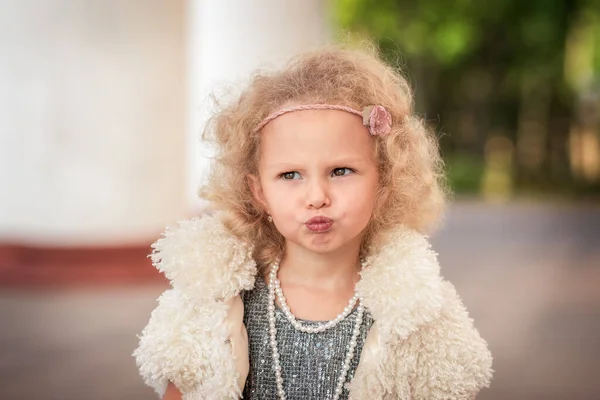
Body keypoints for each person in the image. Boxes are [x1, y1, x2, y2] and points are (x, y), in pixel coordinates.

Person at [133, 45, 493, 400]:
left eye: (341, 171)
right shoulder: (212, 305)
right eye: (290, 175)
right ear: (259, 191)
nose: (317, 196)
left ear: (383, 181)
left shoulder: (420, 314)